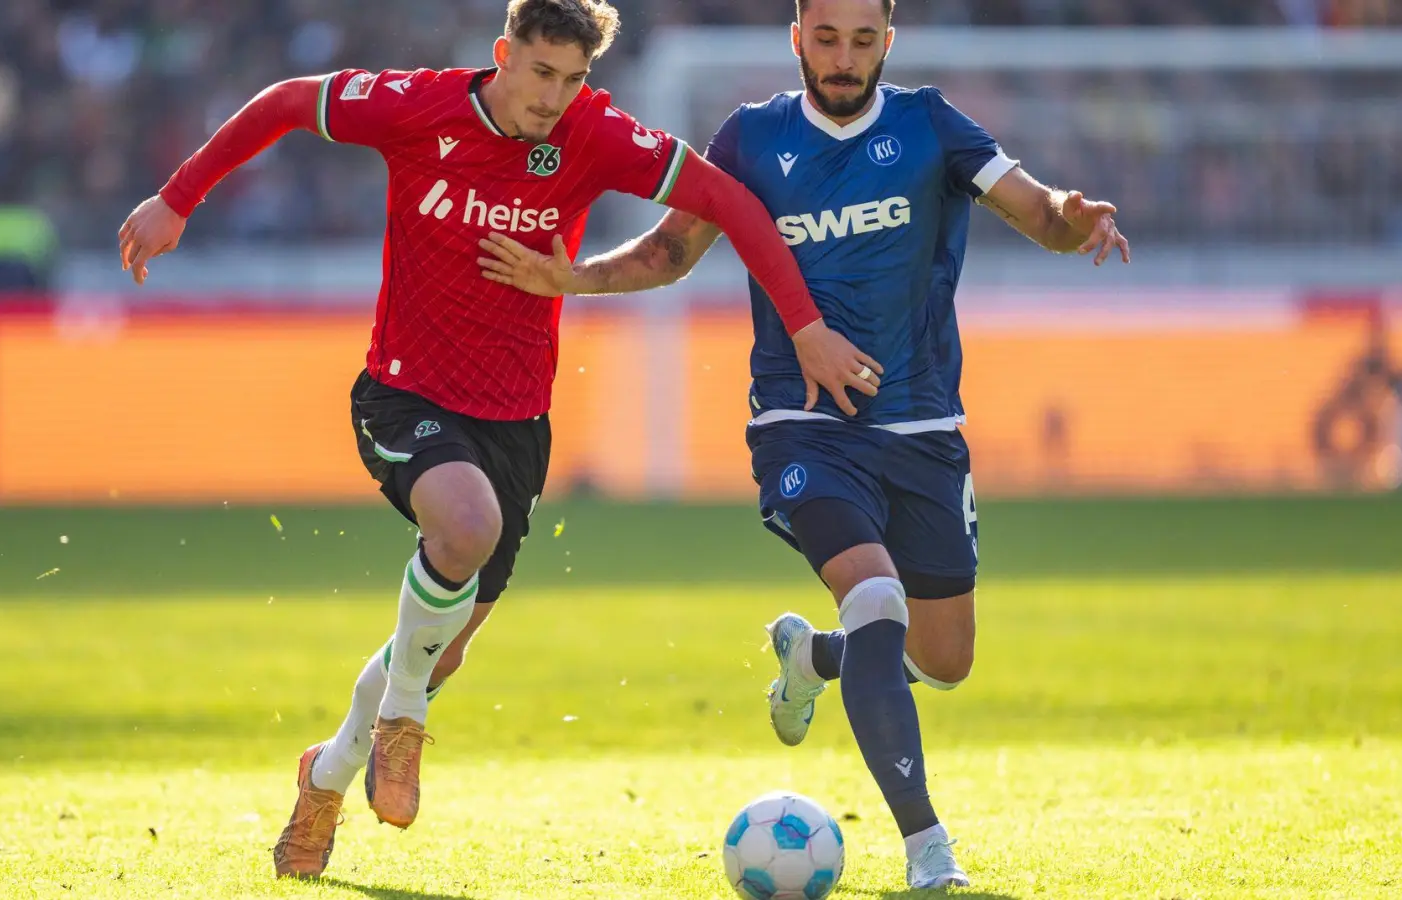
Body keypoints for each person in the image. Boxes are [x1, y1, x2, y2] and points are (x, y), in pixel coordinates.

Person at [116, 0, 881, 881]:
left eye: (574, 79)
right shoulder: (417, 107)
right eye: (542, 73)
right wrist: (178, 199)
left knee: (441, 642)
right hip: (402, 392)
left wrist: (805, 324)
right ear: (502, 55)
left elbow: (729, 203)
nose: (554, 98)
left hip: (516, 423)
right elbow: (290, 100)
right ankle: (403, 722)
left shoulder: (594, 135)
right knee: (463, 531)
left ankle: (327, 774)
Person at [475, 0, 1129, 888]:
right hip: (804, 424)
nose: (845, 58)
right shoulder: (752, 138)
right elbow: (674, 250)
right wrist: (572, 279)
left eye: (864, 40)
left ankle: (814, 657)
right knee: (876, 598)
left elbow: (1035, 210)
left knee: (945, 660)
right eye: (827, 38)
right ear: (797, 40)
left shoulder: (931, 124)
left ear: (887, 43)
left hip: (925, 425)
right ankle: (927, 847)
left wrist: (1070, 215)